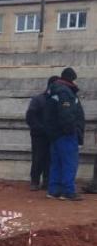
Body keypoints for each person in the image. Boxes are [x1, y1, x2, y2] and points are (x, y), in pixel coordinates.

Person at [44, 67, 85, 201]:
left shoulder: (54, 90)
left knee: (56, 163)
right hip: (65, 134)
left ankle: (54, 190)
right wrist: (72, 131)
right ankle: (68, 191)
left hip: (54, 134)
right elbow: (66, 115)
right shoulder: (65, 92)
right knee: (69, 163)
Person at [25, 76, 57, 191]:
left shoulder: (54, 100)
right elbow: (30, 116)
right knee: (38, 157)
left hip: (50, 134)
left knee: (49, 158)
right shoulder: (38, 99)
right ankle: (35, 181)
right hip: (39, 134)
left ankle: (46, 181)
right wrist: (40, 128)